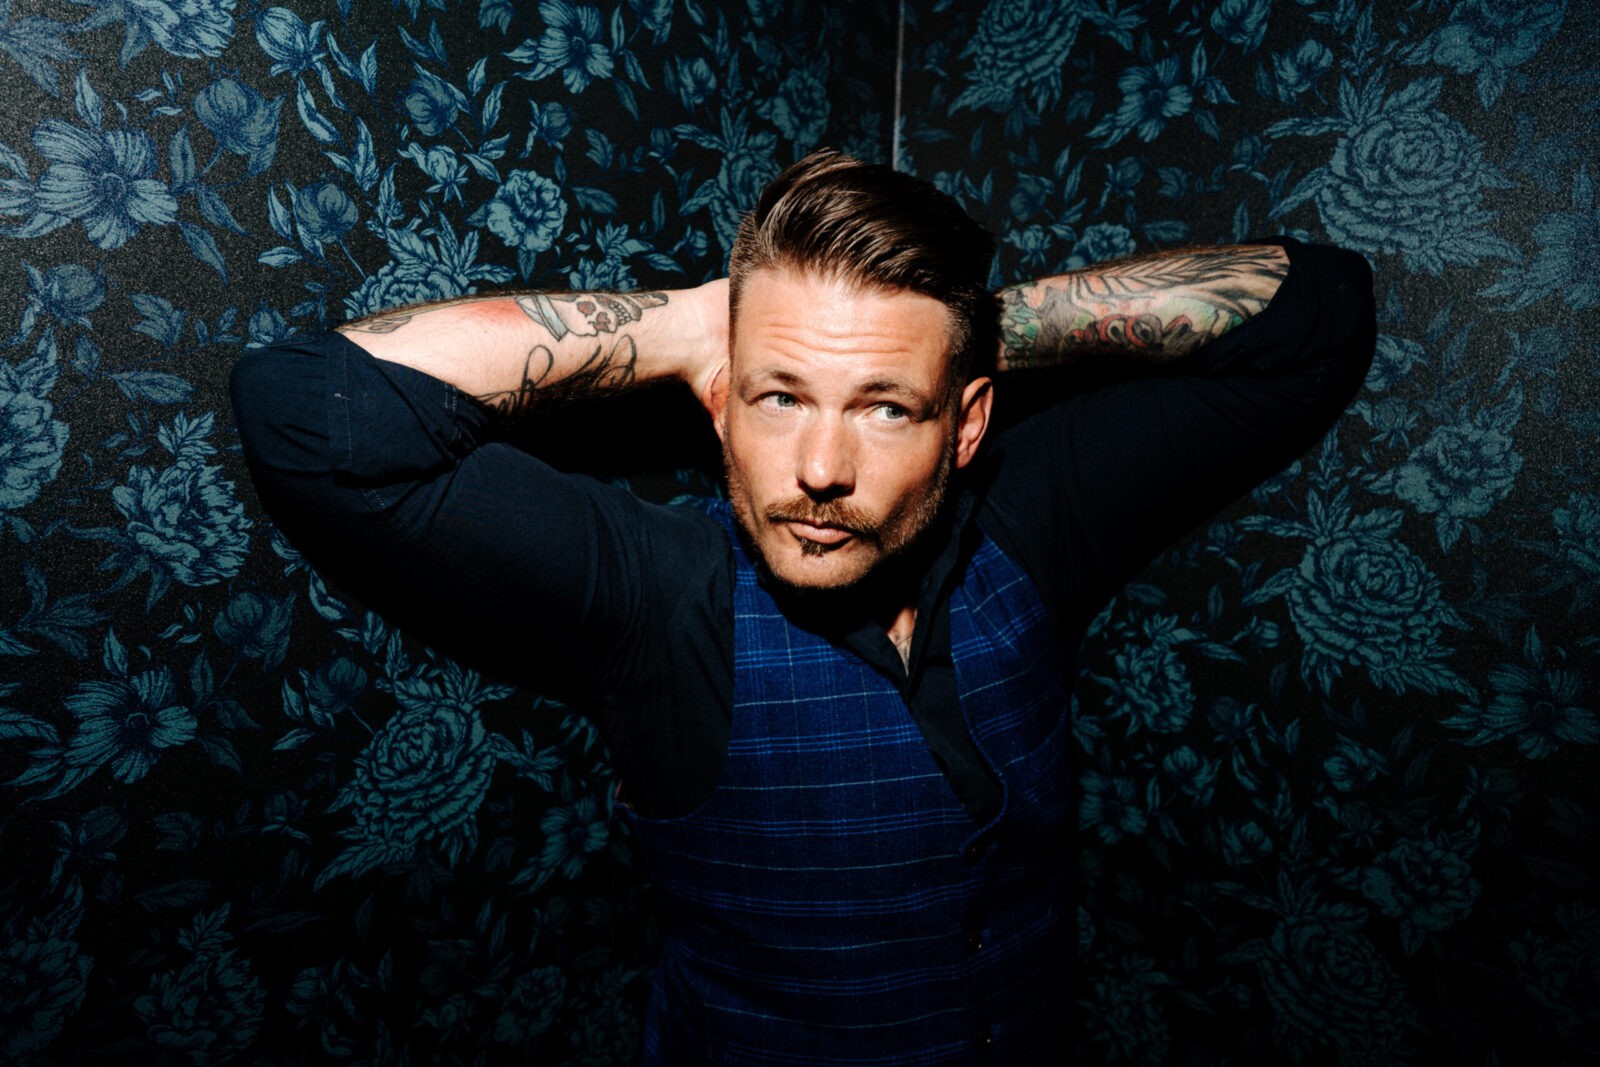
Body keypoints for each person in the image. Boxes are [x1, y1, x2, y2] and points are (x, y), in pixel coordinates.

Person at [231, 149, 1374, 1063]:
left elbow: (1315, 315)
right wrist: (689, 324)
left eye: (885, 407)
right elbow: (300, 408)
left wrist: (968, 327)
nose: (820, 468)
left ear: (965, 423)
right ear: (719, 399)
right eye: (779, 395)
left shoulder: (1032, 525)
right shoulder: (662, 595)